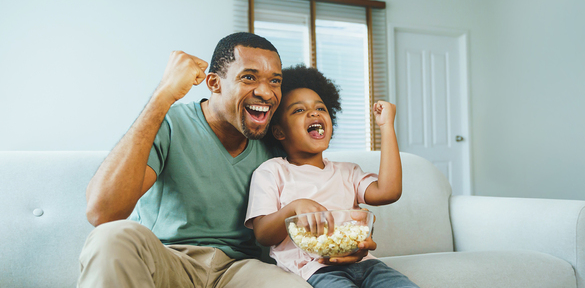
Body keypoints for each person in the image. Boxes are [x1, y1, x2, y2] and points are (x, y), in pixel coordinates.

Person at [78, 32, 375, 288]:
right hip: (170, 259)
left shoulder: (277, 141)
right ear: (214, 83)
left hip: (243, 270)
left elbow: (315, 205)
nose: (265, 91)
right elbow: (103, 213)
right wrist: (163, 95)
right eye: (249, 77)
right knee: (110, 237)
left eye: (275, 81)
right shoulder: (170, 123)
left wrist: (344, 247)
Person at [245, 65, 420, 288]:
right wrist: (294, 207)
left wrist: (386, 126)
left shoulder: (348, 172)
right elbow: (263, 234)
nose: (314, 113)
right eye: (298, 110)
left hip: (367, 265)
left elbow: (389, 192)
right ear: (279, 131)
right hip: (314, 270)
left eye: (321, 108)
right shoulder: (271, 172)